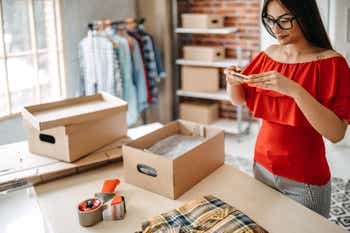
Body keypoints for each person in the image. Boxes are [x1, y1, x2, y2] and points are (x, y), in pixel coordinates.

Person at [226, 0, 350, 218]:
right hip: (261, 167)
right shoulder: (268, 54)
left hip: (305, 181)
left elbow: (337, 133)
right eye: (271, 21)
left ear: (304, 17)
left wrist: (295, 90)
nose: (275, 29)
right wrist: (232, 82)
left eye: (284, 21)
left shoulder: (332, 63)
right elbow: (239, 100)